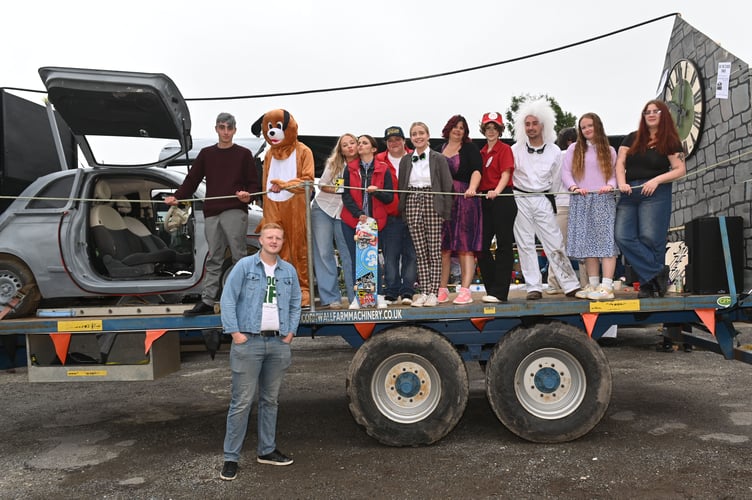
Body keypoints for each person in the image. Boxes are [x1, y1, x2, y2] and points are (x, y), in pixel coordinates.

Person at [219, 222, 301, 481]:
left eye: (278, 237)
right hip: (249, 342)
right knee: (241, 402)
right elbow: (228, 299)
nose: (274, 241)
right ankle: (231, 458)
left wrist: (291, 332)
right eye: (270, 237)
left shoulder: (288, 271)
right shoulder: (244, 267)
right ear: (261, 240)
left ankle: (266, 450)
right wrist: (235, 333)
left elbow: (297, 302)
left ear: (282, 241)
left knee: (270, 401)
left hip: (277, 343)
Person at [166, 112, 259, 316]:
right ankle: (207, 301)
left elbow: (254, 184)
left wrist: (248, 196)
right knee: (214, 257)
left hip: (234, 209)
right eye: (222, 127)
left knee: (239, 256)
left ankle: (243, 299)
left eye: (229, 128)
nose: (225, 132)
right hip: (211, 212)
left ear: (234, 130)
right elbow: (192, 180)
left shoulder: (243, 154)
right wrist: (177, 196)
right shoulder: (207, 154)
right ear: (216, 129)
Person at [615, 99, 686, 298]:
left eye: (656, 111)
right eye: (647, 112)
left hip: (656, 192)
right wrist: (621, 182)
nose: (651, 114)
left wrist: (656, 180)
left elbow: (680, 169)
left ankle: (648, 285)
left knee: (650, 239)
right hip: (630, 191)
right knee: (622, 236)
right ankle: (657, 272)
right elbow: (620, 164)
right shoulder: (631, 138)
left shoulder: (670, 141)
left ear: (663, 115)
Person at [511, 99, 581, 300]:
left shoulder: (555, 151)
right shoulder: (515, 149)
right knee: (524, 243)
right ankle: (533, 286)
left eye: (534, 123)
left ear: (543, 125)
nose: (531, 128)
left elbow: (557, 180)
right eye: (527, 124)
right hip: (519, 197)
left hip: (542, 197)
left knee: (555, 241)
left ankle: (569, 284)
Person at [561, 113, 619, 300]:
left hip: (603, 198)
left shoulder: (609, 150)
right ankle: (593, 284)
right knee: (588, 243)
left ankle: (607, 286)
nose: (586, 130)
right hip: (582, 198)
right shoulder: (574, 149)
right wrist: (574, 187)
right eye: (583, 127)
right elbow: (566, 172)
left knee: (606, 241)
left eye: (590, 126)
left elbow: (613, 173)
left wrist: (610, 185)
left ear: (598, 126)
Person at [398, 122, 453, 307]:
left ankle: (434, 293)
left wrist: (445, 212)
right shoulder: (406, 160)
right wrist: (404, 209)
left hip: (433, 201)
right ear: (410, 138)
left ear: (428, 135)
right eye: (414, 134)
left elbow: (447, 186)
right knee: (420, 252)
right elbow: (401, 186)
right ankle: (423, 291)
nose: (418, 136)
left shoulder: (438, 158)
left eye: (421, 133)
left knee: (434, 251)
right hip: (413, 200)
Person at [341, 135, 395, 309]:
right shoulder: (349, 168)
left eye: (364, 143)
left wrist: (376, 192)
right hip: (352, 221)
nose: (360, 145)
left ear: (373, 149)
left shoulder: (384, 168)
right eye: (359, 143)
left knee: (373, 259)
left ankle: (378, 295)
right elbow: (345, 194)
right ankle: (359, 297)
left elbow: (389, 197)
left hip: (375, 222)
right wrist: (358, 214)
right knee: (357, 259)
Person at [437, 115, 482, 305]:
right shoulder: (440, 149)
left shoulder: (470, 148)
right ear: (448, 129)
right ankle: (442, 289)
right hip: (445, 201)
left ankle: (465, 290)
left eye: (462, 128)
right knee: (444, 246)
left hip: (465, 199)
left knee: (465, 246)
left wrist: (472, 188)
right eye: (455, 126)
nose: (458, 130)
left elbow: (477, 170)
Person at [311, 134, 358, 309]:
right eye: (345, 145)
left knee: (348, 253)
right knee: (324, 253)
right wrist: (344, 190)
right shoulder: (334, 163)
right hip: (323, 209)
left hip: (345, 213)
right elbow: (322, 185)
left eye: (352, 143)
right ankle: (331, 298)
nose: (350, 147)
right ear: (341, 149)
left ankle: (355, 297)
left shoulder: (363, 166)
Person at [477, 112, 517, 303]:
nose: (491, 131)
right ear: (483, 130)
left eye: (495, 127)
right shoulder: (481, 152)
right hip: (484, 199)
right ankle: (492, 288)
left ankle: (500, 292)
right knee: (481, 246)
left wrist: (497, 191)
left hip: (502, 198)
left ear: (500, 130)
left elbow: (506, 174)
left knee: (504, 245)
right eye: (488, 127)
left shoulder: (505, 149)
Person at [375, 126, 417, 306]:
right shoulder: (379, 160)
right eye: (390, 140)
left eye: (397, 139)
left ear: (404, 141)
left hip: (413, 213)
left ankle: (407, 291)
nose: (394, 143)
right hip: (390, 215)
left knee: (412, 255)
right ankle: (391, 291)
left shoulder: (415, 157)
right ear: (386, 143)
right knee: (390, 256)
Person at [546, 127, 581, 294]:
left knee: (559, 244)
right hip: (577, 202)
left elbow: (550, 182)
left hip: (561, 202)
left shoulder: (557, 156)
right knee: (583, 245)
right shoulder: (569, 155)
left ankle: (553, 282)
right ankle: (586, 281)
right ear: (571, 141)